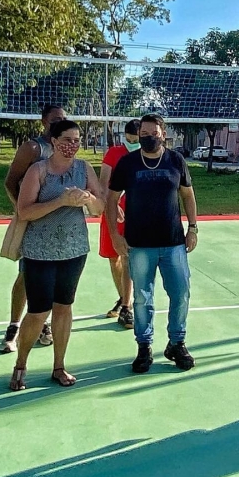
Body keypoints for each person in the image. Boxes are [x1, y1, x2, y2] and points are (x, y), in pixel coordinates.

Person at [9, 119, 104, 390]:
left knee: (64, 307)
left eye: (77, 140)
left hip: (74, 250)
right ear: (53, 141)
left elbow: (99, 207)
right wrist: (61, 201)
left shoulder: (84, 169)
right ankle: (20, 364)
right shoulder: (38, 171)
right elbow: (25, 211)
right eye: (66, 140)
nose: (72, 146)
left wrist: (87, 199)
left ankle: (59, 366)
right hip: (39, 251)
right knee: (39, 312)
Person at [106, 113, 199, 374]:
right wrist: (115, 234)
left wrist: (192, 228)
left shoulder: (175, 160)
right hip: (139, 245)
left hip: (173, 243)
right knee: (142, 299)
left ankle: (176, 343)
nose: (148, 138)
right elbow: (111, 200)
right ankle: (144, 346)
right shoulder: (127, 163)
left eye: (153, 133)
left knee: (180, 294)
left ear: (163, 133)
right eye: (144, 134)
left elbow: (188, 196)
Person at [0, 103, 66, 353]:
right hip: (33, 223)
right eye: (55, 120)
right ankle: (14, 325)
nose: (59, 123)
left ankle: (42, 322)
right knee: (27, 275)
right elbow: (10, 181)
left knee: (52, 277)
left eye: (63, 119)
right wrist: (24, 210)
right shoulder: (33, 148)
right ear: (44, 122)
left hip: (58, 226)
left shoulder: (66, 147)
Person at [99, 119, 140, 329]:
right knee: (113, 258)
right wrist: (112, 206)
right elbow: (103, 184)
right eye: (130, 140)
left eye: (136, 140)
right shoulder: (113, 153)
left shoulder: (146, 155)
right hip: (113, 213)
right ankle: (123, 298)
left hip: (135, 215)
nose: (133, 143)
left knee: (128, 258)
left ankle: (127, 305)